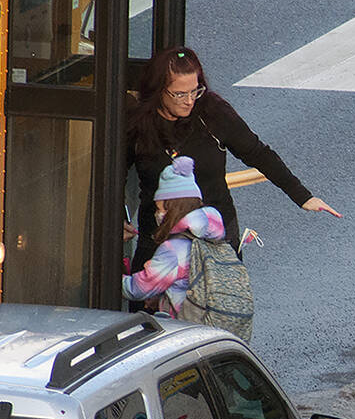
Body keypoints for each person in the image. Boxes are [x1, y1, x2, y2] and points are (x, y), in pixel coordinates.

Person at [125, 46, 340, 270]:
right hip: (159, 236)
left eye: (195, 91)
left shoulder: (213, 113)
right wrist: (119, 218)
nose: (189, 101)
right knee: (146, 297)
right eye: (179, 94)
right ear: (159, 90)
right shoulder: (139, 124)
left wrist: (302, 196)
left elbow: (258, 153)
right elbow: (114, 172)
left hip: (215, 235)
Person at [122, 156, 225, 317]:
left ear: (171, 208)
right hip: (211, 324)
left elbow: (138, 289)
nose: (157, 214)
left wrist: (112, 279)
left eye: (159, 208)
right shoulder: (209, 237)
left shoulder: (173, 250)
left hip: (186, 327)